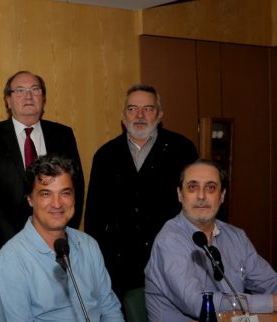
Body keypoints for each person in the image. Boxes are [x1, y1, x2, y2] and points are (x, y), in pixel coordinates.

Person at [0, 154, 127, 322]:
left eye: (65, 193)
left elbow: (110, 310)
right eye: (46, 194)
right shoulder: (10, 260)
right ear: (29, 199)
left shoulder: (88, 245)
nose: (57, 203)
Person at [145, 160, 277, 322]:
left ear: (222, 195)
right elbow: (198, 304)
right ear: (180, 194)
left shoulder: (236, 236)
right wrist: (273, 303)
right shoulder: (169, 241)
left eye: (210, 187)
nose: (201, 196)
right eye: (193, 187)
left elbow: (268, 282)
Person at [84, 84, 198, 299]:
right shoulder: (105, 155)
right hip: (119, 269)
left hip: (171, 260)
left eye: (148, 108)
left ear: (160, 114)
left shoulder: (182, 149)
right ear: (123, 115)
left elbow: (196, 206)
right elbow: (94, 217)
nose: (139, 115)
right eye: (132, 109)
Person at [0, 70, 85, 248]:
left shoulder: (63, 134)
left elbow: (76, 187)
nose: (28, 96)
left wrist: (61, 233)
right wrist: (14, 243)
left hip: (57, 241)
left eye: (35, 89)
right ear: (8, 100)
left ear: (43, 98)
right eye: (20, 90)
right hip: (6, 244)